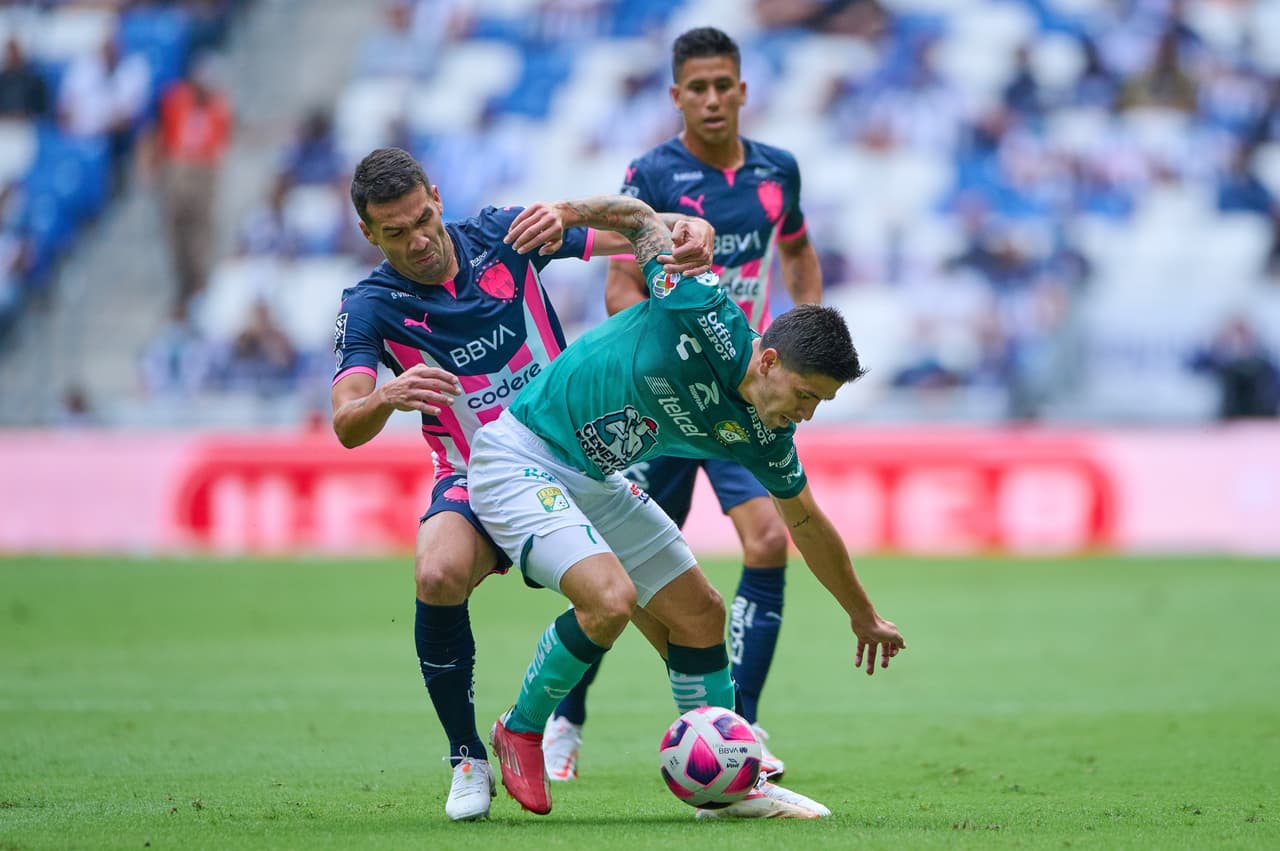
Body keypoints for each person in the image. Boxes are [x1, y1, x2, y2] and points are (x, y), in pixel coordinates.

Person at [468, 197, 905, 819]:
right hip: (521, 457)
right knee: (610, 599)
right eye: (806, 396)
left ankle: (726, 791)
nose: (806, 415)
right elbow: (641, 222)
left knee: (701, 614)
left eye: (820, 405)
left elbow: (805, 522)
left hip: (594, 478)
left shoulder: (767, 434)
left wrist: (863, 616)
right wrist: (566, 212)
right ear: (770, 361)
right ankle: (522, 728)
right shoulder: (705, 309)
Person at [329, 147, 714, 822]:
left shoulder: (506, 236)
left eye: (423, 218)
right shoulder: (369, 307)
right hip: (477, 476)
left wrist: (688, 225)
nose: (417, 240)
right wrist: (388, 394)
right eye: (395, 232)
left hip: (573, 457)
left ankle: (719, 746)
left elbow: (632, 228)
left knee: (674, 616)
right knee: (438, 572)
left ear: (439, 197)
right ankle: (467, 756)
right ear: (369, 234)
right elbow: (346, 420)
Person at [544, 26, 824, 783]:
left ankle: (743, 727)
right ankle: (566, 717)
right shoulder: (654, 173)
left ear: (741, 88)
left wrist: (803, 333)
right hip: (668, 405)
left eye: (722, 85)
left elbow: (795, 247)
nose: (710, 99)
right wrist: (654, 350)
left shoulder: (776, 172)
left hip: (738, 401)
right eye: (695, 88)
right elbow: (622, 282)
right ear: (676, 96)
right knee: (624, 580)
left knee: (767, 542)